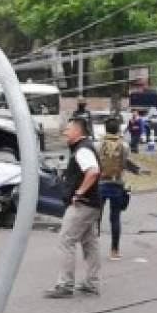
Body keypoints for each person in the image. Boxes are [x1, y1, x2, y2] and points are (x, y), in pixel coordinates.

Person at [45, 118, 103, 298]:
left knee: (66, 240)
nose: (64, 132)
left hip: (82, 204)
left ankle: (65, 285)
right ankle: (91, 282)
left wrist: (78, 193)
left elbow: (93, 171)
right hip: (92, 203)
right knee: (90, 243)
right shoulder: (84, 147)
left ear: (78, 131)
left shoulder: (82, 150)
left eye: (68, 129)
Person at [96, 118, 143, 261]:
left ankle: (92, 249)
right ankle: (114, 251)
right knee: (115, 218)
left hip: (101, 183)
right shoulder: (124, 145)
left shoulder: (98, 145)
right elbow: (125, 163)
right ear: (118, 129)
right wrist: (137, 170)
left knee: (96, 217)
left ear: (105, 129)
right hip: (117, 184)